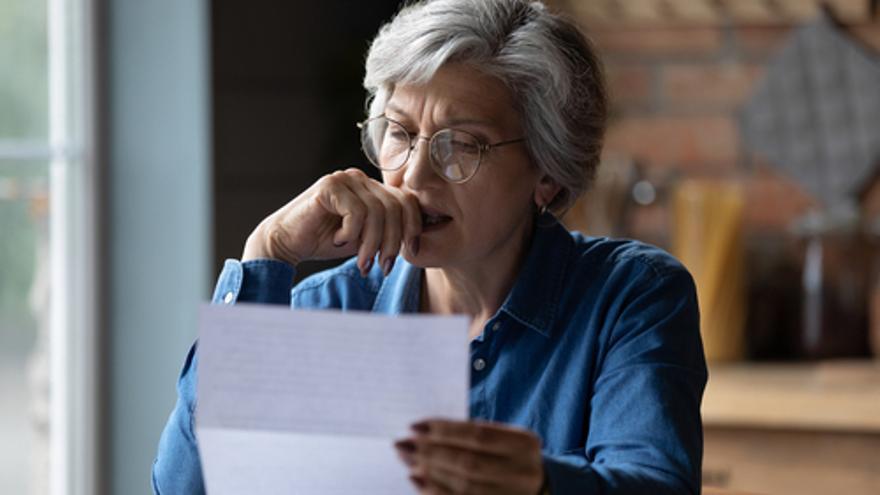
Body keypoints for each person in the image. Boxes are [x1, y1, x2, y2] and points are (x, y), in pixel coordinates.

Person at [152, 0, 707, 493]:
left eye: (460, 145)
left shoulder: (630, 296)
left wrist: (541, 484)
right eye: (398, 132)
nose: (414, 176)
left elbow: (655, 483)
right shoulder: (330, 309)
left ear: (548, 173)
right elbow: (186, 487)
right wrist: (267, 253)